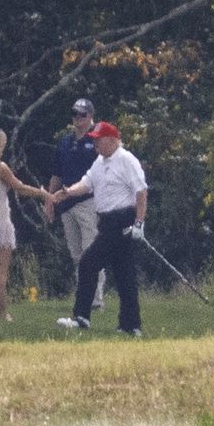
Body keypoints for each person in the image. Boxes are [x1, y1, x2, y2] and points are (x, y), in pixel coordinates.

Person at [53, 121, 147, 336]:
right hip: (106, 221)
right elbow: (87, 184)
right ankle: (130, 325)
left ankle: (81, 316)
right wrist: (67, 192)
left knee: (88, 263)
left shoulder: (126, 160)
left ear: (112, 140)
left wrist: (139, 223)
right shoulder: (100, 162)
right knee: (124, 274)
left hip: (122, 221)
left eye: (99, 140)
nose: (95, 143)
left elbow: (141, 192)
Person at [0, 127, 52, 322]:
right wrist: (42, 193)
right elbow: (20, 188)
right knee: (0, 271)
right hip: (0, 218)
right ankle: (2, 312)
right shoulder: (0, 167)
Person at [45, 98, 106, 309]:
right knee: (76, 253)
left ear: (90, 116)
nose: (77, 119)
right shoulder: (65, 142)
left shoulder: (96, 141)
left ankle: (95, 298)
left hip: (89, 201)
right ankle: (84, 294)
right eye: (75, 114)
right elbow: (57, 173)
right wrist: (50, 200)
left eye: (82, 115)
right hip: (66, 203)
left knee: (91, 250)